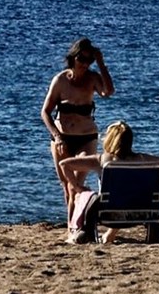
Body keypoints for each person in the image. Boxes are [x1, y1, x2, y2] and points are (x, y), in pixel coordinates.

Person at [59, 119, 159, 244]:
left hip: (108, 215)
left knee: (86, 196)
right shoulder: (142, 159)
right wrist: (155, 186)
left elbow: (64, 164)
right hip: (141, 213)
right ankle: (111, 234)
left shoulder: (102, 160)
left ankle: (85, 232)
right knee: (125, 196)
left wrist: (78, 188)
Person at [40, 38, 114, 223]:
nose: (84, 64)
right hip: (62, 139)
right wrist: (57, 137)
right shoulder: (60, 80)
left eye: (89, 60)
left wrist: (101, 63)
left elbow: (108, 92)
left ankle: (75, 225)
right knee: (67, 186)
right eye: (81, 59)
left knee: (76, 185)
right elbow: (45, 112)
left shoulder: (93, 78)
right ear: (73, 57)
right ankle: (73, 225)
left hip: (86, 138)